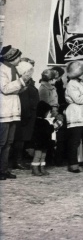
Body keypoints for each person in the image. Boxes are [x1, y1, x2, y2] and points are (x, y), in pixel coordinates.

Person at [1, 45, 33, 180]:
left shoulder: (13, 69)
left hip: (13, 109)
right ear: (12, 58)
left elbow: (15, 89)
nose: (20, 59)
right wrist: (21, 80)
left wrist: (24, 84)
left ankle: (3, 169)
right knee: (2, 142)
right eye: (18, 57)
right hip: (3, 110)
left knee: (9, 142)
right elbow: (5, 89)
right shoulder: (2, 70)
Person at [31, 100, 55, 176]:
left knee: (43, 156)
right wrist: (52, 126)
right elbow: (48, 131)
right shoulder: (43, 122)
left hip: (44, 142)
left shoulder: (41, 121)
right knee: (38, 156)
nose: (50, 114)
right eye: (49, 112)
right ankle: (35, 168)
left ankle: (41, 168)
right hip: (40, 142)